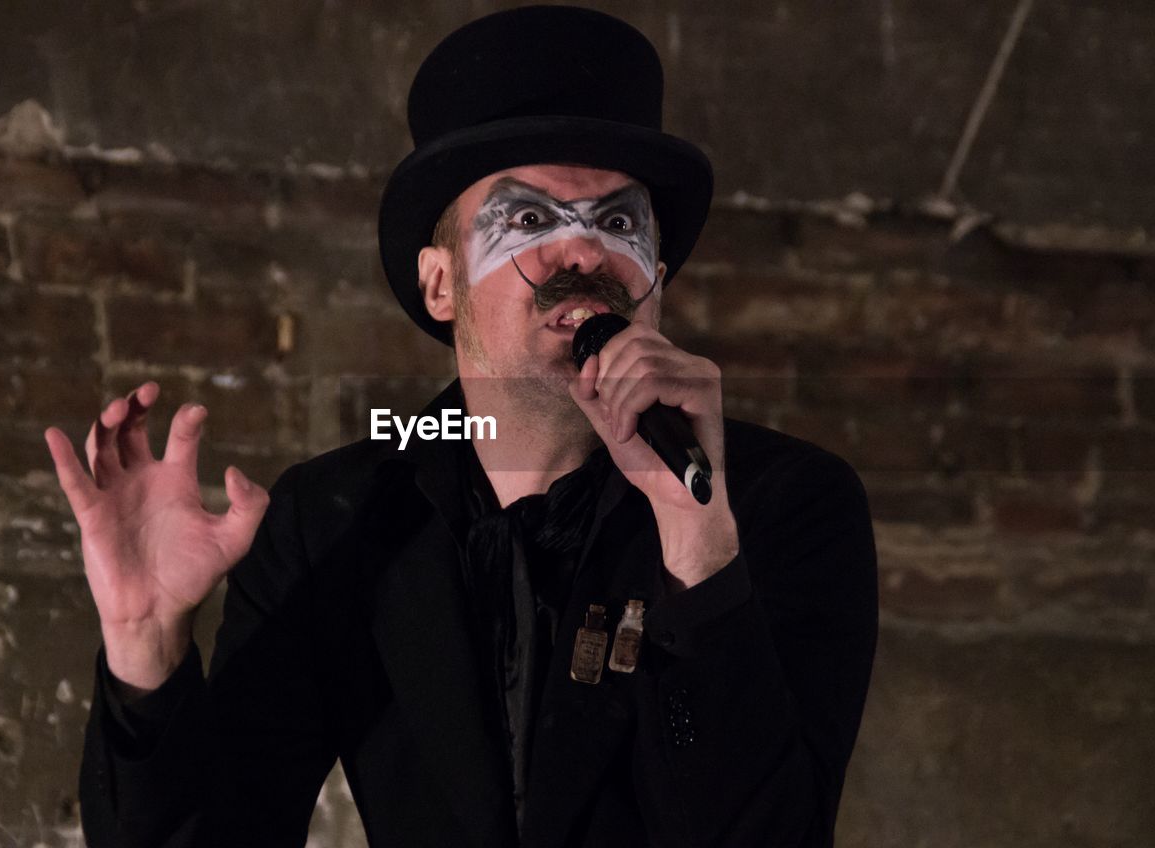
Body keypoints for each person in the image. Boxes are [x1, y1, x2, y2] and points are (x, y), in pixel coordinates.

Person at [45, 7, 879, 848]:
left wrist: (698, 550)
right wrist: (144, 649)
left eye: (618, 223)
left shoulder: (779, 505)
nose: (583, 255)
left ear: (656, 277)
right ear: (440, 287)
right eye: (527, 220)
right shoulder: (337, 517)